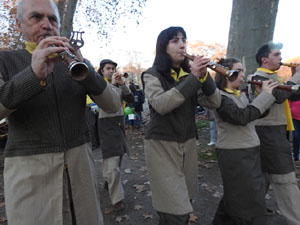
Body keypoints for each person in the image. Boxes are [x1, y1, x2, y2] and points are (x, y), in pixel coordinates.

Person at [0, 0, 121, 224]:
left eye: (53, 19)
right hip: (31, 177)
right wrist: (32, 75)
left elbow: (114, 106)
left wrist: (88, 73)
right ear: (19, 25)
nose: (47, 25)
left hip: (80, 173)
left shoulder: (74, 61)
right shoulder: (4, 61)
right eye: (36, 17)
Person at [141, 26, 221, 225]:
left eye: (184, 40)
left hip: (187, 143)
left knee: (184, 199)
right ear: (163, 46)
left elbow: (215, 103)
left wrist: (205, 77)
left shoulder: (188, 74)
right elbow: (161, 104)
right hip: (161, 145)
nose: (182, 45)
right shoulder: (151, 75)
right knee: (175, 209)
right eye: (175, 40)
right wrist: (193, 78)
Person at [212, 58, 278, 225]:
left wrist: (259, 95)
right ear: (227, 74)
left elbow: (256, 114)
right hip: (234, 153)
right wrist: (264, 96)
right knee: (243, 198)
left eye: (242, 70)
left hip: (248, 150)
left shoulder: (239, 95)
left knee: (236, 195)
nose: (243, 75)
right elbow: (240, 117)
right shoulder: (220, 97)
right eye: (239, 71)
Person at [249, 42, 300, 225]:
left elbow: (293, 95)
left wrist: (295, 77)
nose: (281, 58)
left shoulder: (273, 77)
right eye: (277, 54)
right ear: (265, 59)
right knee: (285, 178)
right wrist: (297, 76)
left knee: (262, 177)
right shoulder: (258, 77)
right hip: (269, 133)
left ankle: (250, 212)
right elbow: (278, 96)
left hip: (276, 131)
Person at [97, 59, 134, 210]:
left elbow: (131, 99)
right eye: (108, 69)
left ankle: (108, 181)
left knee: (118, 155)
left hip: (119, 123)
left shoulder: (118, 84)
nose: (112, 71)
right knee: (111, 160)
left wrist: (123, 85)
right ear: (101, 71)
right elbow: (107, 99)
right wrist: (112, 84)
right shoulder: (98, 84)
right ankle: (117, 199)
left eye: (113, 69)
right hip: (106, 125)